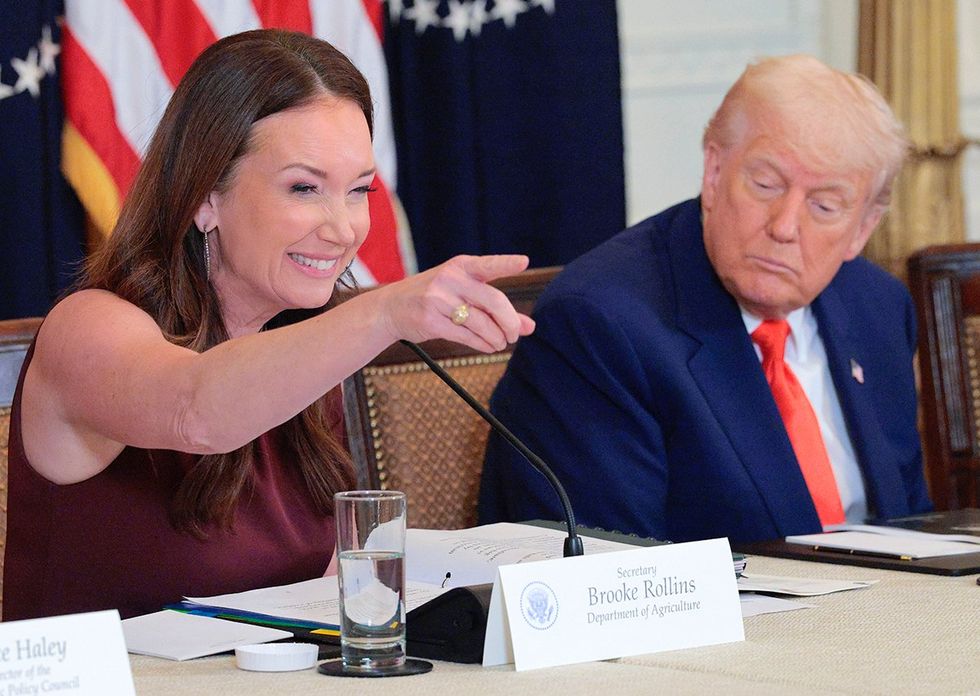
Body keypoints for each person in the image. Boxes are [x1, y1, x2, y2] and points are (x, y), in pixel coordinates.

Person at [3, 29, 534, 621]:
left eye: (358, 190)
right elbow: (195, 412)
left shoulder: (304, 341)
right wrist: (383, 311)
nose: (343, 230)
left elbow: (324, 589)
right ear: (205, 196)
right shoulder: (86, 328)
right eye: (304, 188)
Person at [479, 55, 932, 545]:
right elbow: (610, 577)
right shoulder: (599, 325)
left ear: (862, 229)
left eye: (824, 206)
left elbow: (909, 530)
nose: (783, 227)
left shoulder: (879, 308)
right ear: (714, 172)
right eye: (765, 184)